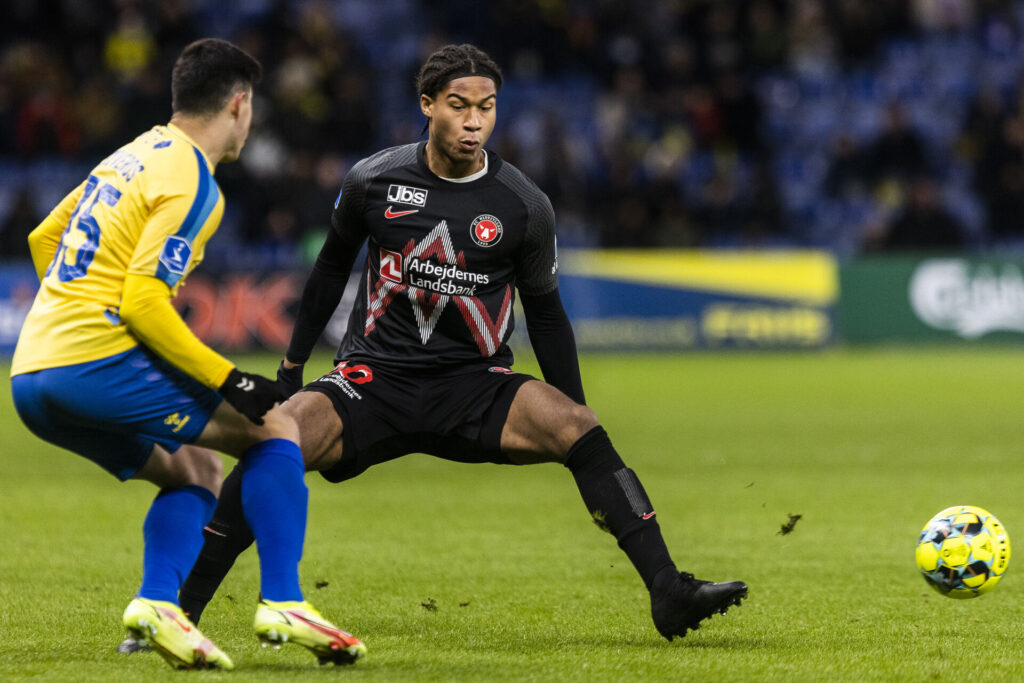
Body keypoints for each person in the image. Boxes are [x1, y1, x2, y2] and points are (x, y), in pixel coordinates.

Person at [158, 42, 747, 647]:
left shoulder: (523, 206)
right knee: (272, 440)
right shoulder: (373, 180)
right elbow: (329, 272)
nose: (473, 122)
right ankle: (184, 611)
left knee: (582, 432)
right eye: (459, 106)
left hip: (475, 386)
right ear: (427, 105)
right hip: (372, 380)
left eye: (486, 108)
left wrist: (572, 408)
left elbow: (546, 313)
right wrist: (291, 366)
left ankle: (668, 592)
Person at [10, 38, 365, 670]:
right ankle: (283, 599)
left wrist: (66, 319)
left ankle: (157, 604)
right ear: (239, 105)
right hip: (94, 363)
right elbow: (143, 301)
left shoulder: (130, 155)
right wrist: (228, 377)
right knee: (274, 426)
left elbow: (46, 237)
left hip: (32, 376)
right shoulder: (195, 182)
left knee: (196, 469)